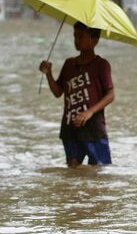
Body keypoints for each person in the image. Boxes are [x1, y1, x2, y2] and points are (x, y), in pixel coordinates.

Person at [39, 21, 115, 168]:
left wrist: (89, 112)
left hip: (93, 129)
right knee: (73, 172)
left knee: (100, 171)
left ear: (94, 40)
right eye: (75, 36)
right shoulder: (69, 64)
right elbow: (58, 92)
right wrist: (48, 74)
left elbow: (110, 95)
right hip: (70, 127)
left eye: (81, 36)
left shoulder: (101, 65)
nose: (77, 40)